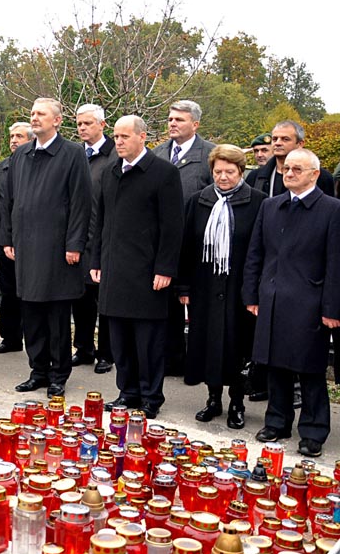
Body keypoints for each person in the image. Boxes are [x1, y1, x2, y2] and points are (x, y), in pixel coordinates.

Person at [243, 149, 340, 458]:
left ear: (315, 174)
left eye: (298, 169)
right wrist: (251, 295)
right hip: (272, 298)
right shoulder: (271, 206)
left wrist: (332, 308)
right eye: (287, 168)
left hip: (310, 301)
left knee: (310, 369)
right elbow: (255, 253)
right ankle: (277, 422)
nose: (289, 173)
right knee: (275, 365)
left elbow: (336, 263)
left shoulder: (332, 209)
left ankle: (313, 431)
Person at [89, 116, 184, 419]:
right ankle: (127, 392)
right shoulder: (111, 172)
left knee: (148, 342)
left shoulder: (163, 173)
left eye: (124, 136)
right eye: (116, 136)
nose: (118, 142)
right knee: (120, 340)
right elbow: (101, 221)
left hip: (147, 273)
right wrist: (96, 260)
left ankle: (150, 397)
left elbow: (172, 227)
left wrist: (165, 268)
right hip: (114, 270)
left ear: (142, 137)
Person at [0, 98, 91, 399]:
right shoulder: (22, 154)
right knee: (31, 313)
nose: (34, 118)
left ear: (57, 120)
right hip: (25, 246)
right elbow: (9, 201)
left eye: (41, 114)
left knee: (56, 316)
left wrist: (74, 244)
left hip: (57, 249)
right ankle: (37, 370)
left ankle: (58, 374)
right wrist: (8, 238)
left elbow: (80, 202)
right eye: (32, 113)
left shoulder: (72, 153)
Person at [176, 144, 265, 430]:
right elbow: (186, 247)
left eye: (229, 172)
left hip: (239, 287)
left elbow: (261, 249)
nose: (223, 177)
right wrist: (184, 287)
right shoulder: (198, 201)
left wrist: (254, 290)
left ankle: (237, 402)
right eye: (218, 172)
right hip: (204, 286)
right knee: (208, 344)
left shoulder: (258, 202)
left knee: (237, 345)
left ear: (241, 172)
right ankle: (213, 398)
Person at [153, 99, 215, 378]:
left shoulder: (211, 155)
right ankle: (170, 360)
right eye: (170, 119)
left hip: (199, 245)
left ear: (195, 124)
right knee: (166, 306)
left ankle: (200, 364)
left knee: (197, 306)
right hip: (163, 244)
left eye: (179, 119)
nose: (173, 123)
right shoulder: (157, 154)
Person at [72, 104, 116, 374]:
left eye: (88, 123)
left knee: (104, 299)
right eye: (79, 124)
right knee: (81, 298)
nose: (82, 128)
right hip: (80, 236)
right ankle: (84, 347)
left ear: (102, 125)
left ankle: (106, 353)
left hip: (105, 236)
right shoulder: (76, 155)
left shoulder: (114, 155)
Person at [0, 121, 31, 355]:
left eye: (19, 136)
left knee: (30, 293)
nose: (14, 140)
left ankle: (33, 338)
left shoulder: (35, 165)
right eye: (12, 136)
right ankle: (10, 338)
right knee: (8, 292)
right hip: (6, 238)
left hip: (31, 240)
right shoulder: (3, 168)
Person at [245, 120, 335, 198]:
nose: (278, 143)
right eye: (275, 139)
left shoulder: (320, 177)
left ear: (300, 144)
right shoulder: (255, 177)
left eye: (285, 139)